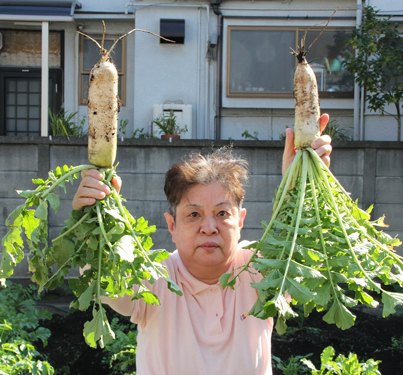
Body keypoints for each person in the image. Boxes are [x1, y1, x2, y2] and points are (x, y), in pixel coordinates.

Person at [72, 116, 332, 375]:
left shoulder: (262, 269)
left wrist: (301, 185)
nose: (209, 227)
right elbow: (100, 278)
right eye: (194, 215)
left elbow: (310, 254)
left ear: (240, 221)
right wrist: (93, 215)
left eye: (222, 213)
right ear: (172, 226)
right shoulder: (152, 277)